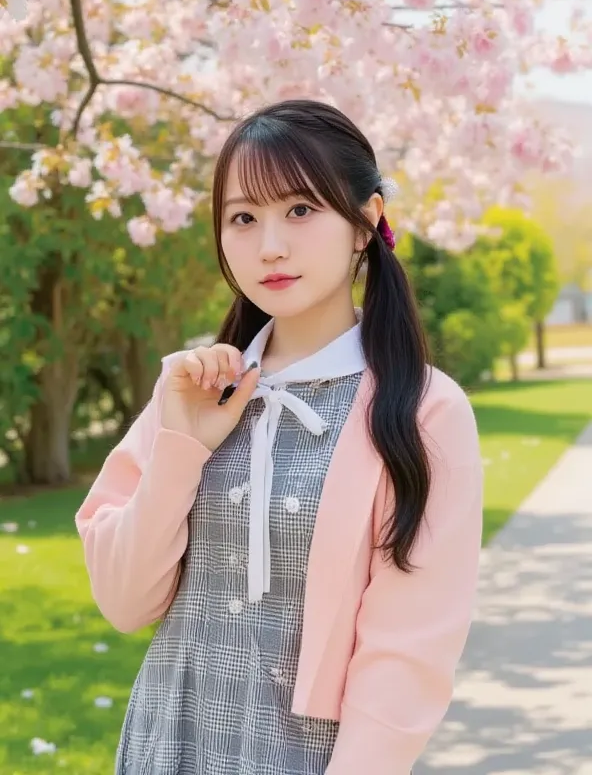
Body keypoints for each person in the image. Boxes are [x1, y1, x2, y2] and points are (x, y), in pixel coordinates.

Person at [75, 99, 483, 775]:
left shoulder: (422, 411)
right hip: (167, 742)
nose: (269, 245)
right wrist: (182, 446)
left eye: (299, 210)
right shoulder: (192, 390)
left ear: (366, 222)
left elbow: (408, 653)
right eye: (243, 218)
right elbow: (124, 602)